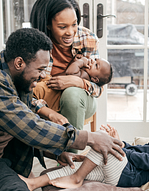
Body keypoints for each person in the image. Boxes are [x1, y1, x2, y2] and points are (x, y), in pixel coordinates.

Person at [0, 28, 124, 191]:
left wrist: (55, 154)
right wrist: (90, 138)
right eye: (41, 69)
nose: (43, 76)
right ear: (19, 63)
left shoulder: (16, 79)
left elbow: (25, 120)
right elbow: (28, 126)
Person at [20, 120, 149, 191]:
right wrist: (121, 143)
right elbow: (138, 149)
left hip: (126, 176)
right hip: (117, 172)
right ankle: (34, 183)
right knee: (74, 167)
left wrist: (116, 146)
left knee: (101, 141)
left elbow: (143, 159)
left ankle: (76, 179)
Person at [30, 0, 103, 130]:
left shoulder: (87, 38)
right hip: (45, 100)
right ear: (47, 24)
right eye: (62, 27)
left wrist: (76, 82)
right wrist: (43, 109)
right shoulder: (32, 43)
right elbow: (25, 90)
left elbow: (99, 87)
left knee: (71, 94)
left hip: (80, 100)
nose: (70, 32)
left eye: (74, 24)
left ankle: (72, 148)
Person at [33, 56, 113, 113]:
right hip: (53, 80)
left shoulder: (85, 76)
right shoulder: (85, 71)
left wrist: (80, 62)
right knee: (44, 78)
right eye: (95, 59)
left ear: (95, 79)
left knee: (38, 89)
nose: (93, 61)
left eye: (96, 65)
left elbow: (70, 72)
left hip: (55, 92)